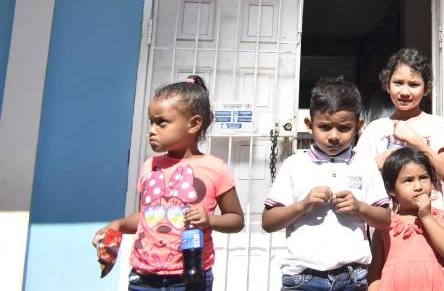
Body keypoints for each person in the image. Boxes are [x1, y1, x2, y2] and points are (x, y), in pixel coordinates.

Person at [94, 75, 245, 291]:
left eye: (161, 122)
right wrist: (117, 225)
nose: (152, 130)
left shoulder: (215, 168)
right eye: (151, 122)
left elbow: (236, 220)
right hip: (143, 278)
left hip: (190, 280)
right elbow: (145, 215)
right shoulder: (150, 165)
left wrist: (209, 220)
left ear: (193, 124)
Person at [262, 78, 391, 291]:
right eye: (324, 127)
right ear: (309, 125)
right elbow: (268, 222)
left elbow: (385, 220)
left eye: (343, 128)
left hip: (352, 277)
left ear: (358, 126)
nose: (333, 136)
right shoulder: (295, 165)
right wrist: (302, 205)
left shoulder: (365, 165)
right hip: (302, 277)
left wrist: (359, 207)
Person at [360, 49, 444, 210]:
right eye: (398, 83)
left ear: (426, 88)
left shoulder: (436, 124)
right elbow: (357, 173)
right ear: (387, 85)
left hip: (428, 220)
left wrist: (417, 142)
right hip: (385, 219)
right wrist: (379, 162)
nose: (405, 92)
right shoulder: (375, 129)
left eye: (414, 85)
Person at [367, 148, 444, 291]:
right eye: (408, 180)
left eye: (423, 177)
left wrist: (426, 217)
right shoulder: (385, 223)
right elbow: (374, 272)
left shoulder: (438, 216)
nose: (418, 186)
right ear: (391, 189)